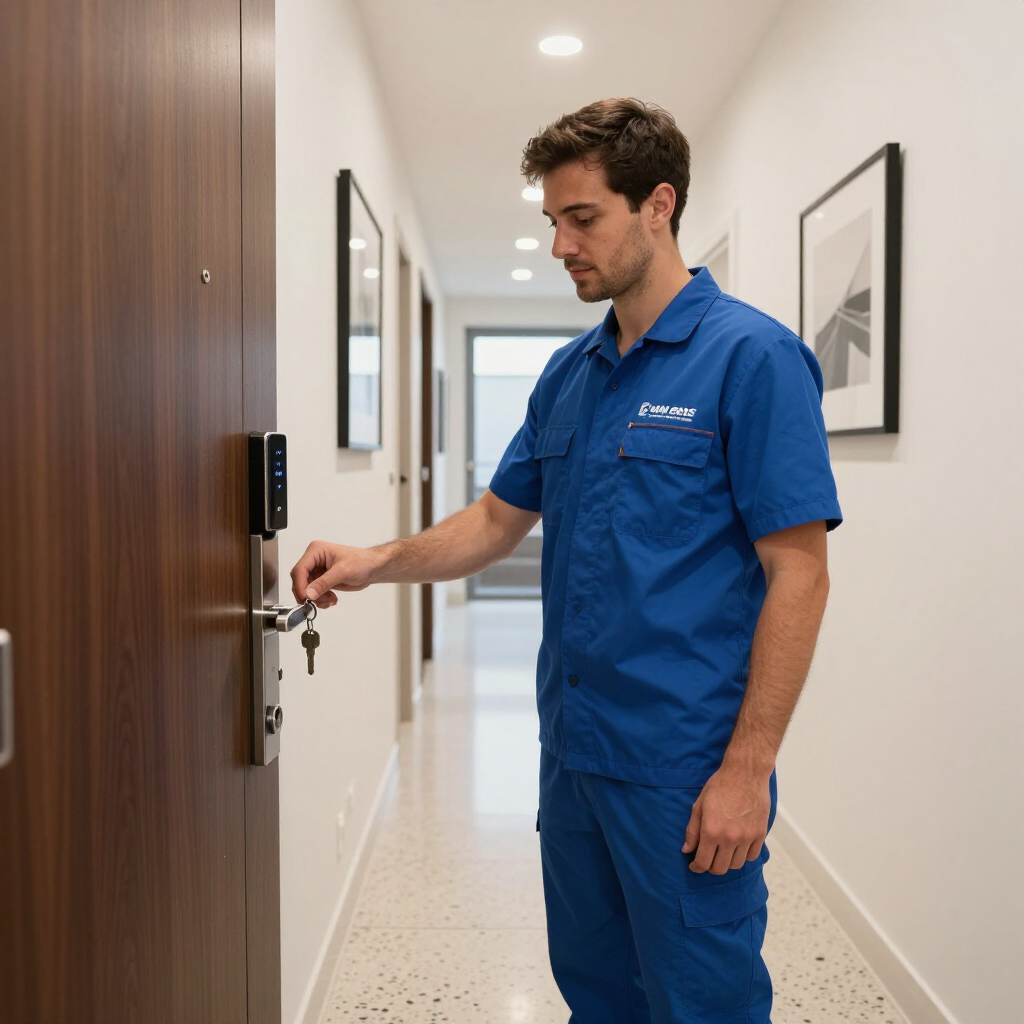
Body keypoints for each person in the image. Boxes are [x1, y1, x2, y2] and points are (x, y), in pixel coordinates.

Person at [292, 97, 842, 1024]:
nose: (560, 246)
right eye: (553, 220)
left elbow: (802, 573)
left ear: (658, 205)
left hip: (682, 767)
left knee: (702, 1003)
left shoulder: (753, 359)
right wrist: (375, 559)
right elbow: (495, 521)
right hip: (574, 756)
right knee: (597, 994)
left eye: (581, 218)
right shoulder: (569, 376)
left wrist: (749, 770)